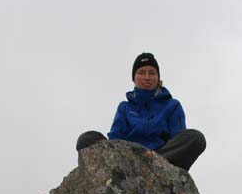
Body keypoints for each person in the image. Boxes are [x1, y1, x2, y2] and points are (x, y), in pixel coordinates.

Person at [76, 52, 206, 172]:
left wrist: (158, 158)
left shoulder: (172, 105)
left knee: (195, 138)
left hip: (162, 157)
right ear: (134, 78)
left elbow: (177, 139)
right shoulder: (125, 107)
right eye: (142, 72)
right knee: (86, 139)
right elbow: (115, 139)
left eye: (152, 73)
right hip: (128, 158)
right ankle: (132, 167)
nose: (147, 77)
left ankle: (150, 166)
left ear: (158, 77)